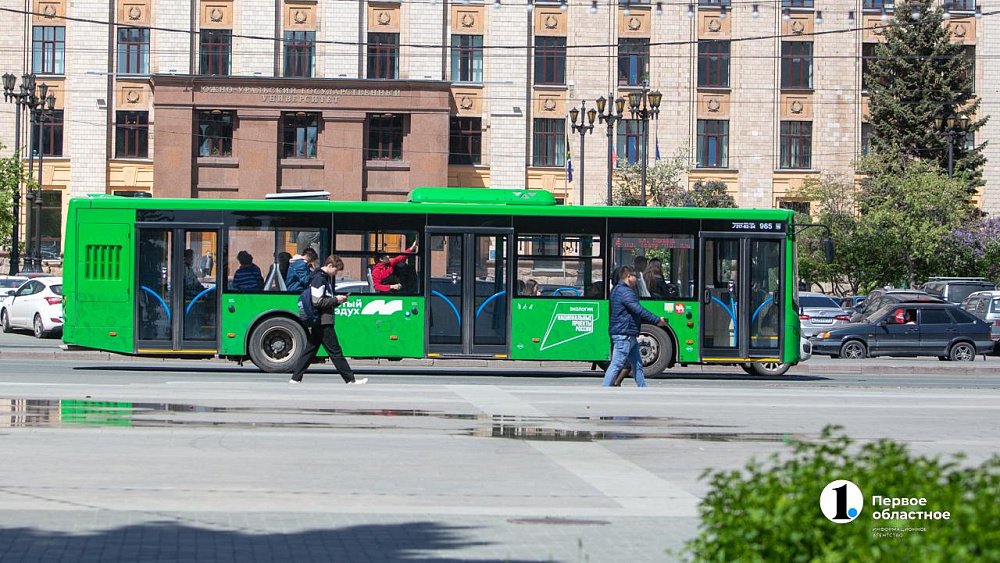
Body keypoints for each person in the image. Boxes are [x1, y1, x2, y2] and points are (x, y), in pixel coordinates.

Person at [289, 255, 367, 385]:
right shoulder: (319, 279)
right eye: (336, 270)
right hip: (323, 321)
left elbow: (322, 300)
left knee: (310, 351)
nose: (336, 273)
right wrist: (336, 299)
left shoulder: (321, 278)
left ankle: (295, 378)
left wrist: (337, 301)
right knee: (335, 351)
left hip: (321, 320)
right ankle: (350, 379)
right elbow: (317, 301)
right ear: (330, 266)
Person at [602, 265, 668, 388]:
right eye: (635, 277)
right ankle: (605, 389)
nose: (636, 279)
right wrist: (657, 320)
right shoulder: (625, 292)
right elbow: (638, 310)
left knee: (637, 364)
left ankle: (643, 388)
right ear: (628, 277)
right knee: (617, 363)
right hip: (624, 333)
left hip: (628, 333)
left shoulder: (617, 289)